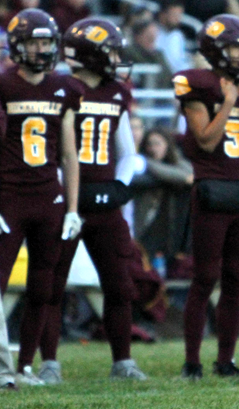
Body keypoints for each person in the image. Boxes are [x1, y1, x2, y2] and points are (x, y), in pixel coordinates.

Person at [33, 17, 147, 383]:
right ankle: (49, 362)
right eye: (110, 50)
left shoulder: (116, 92)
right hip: (66, 202)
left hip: (105, 202)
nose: (116, 57)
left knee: (120, 284)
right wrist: (64, 191)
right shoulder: (60, 88)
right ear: (89, 54)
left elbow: (128, 151)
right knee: (52, 284)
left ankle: (123, 362)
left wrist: (121, 185)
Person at [173, 14, 239, 379]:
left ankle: (225, 360)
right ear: (215, 49)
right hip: (211, 189)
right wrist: (229, 103)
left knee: (237, 278)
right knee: (205, 277)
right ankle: (192, 361)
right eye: (235, 47)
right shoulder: (196, 84)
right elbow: (207, 141)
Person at [0, 8, 82, 385]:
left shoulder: (64, 87)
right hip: (9, 196)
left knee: (43, 287)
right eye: (34, 41)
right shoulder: (4, 84)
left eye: (47, 41)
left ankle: (27, 366)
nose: (41, 49)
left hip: (49, 196)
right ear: (17, 45)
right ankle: (3, 368)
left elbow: (69, 154)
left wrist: (73, 207)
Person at [132, 127, 194, 263]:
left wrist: (153, 164)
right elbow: (181, 177)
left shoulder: (175, 162)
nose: (153, 148)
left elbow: (189, 175)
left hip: (170, 228)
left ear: (167, 145)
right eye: (150, 144)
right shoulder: (140, 165)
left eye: (158, 144)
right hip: (145, 227)